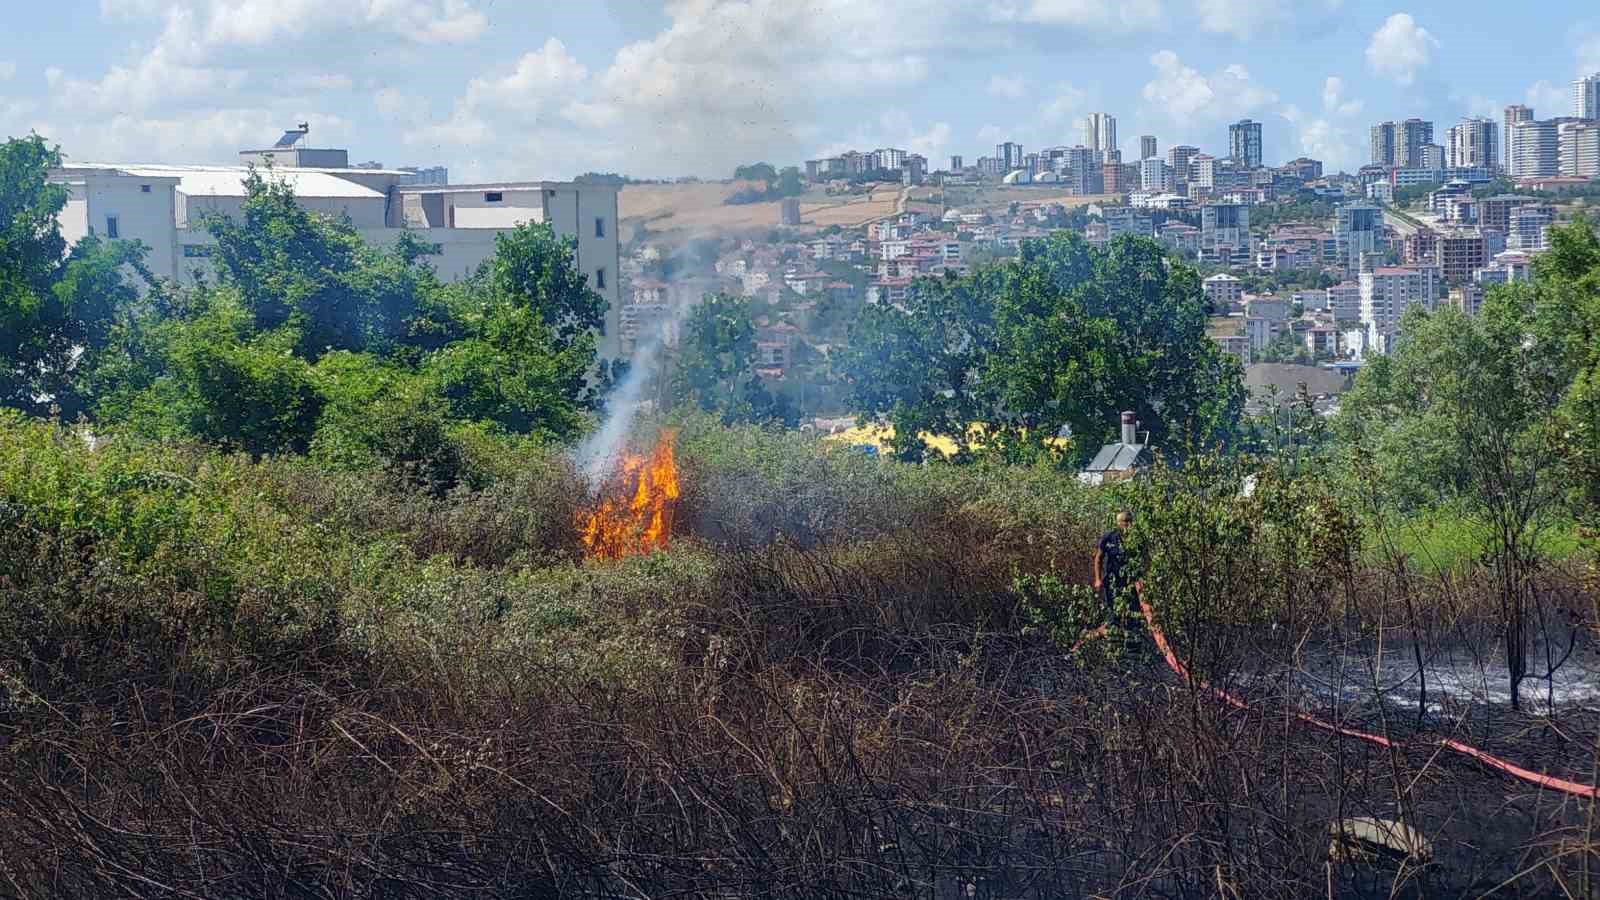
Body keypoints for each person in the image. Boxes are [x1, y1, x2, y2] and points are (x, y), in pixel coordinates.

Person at [1092, 510, 1133, 618]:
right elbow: (1098, 558)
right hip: (1112, 581)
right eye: (1125, 521)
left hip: (1130, 582)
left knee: (1132, 613)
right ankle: (1113, 631)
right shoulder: (1109, 537)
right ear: (1118, 523)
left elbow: (1145, 559)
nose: (1128, 524)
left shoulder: (1136, 539)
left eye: (1130, 521)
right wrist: (1098, 579)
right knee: (1113, 613)